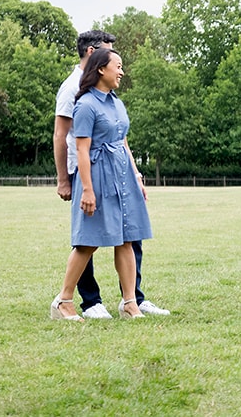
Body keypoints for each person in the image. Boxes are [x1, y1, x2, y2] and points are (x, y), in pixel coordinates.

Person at [50, 47, 162, 321]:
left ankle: (129, 303)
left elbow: (123, 142)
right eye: (118, 66)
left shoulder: (116, 103)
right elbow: (83, 150)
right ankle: (63, 302)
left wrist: (135, 175)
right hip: (97, 178)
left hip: (122, 177)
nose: (122, 71)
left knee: (126, 239)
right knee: (88, 242)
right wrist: (87, 189)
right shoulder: (86, 105)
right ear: (101, 69)